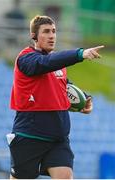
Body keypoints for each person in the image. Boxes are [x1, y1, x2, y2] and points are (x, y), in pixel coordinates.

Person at [7, 15, 104, 179]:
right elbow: (46, 64)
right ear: (34, 36)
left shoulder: (56, 63)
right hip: (30, 136)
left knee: (65, 176)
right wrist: (80, 54)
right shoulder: (26, 59)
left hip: (58, 139)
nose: (51, 35)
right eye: (46, 31)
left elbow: (64, 86)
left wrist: (84, 100)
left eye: (54, 31)